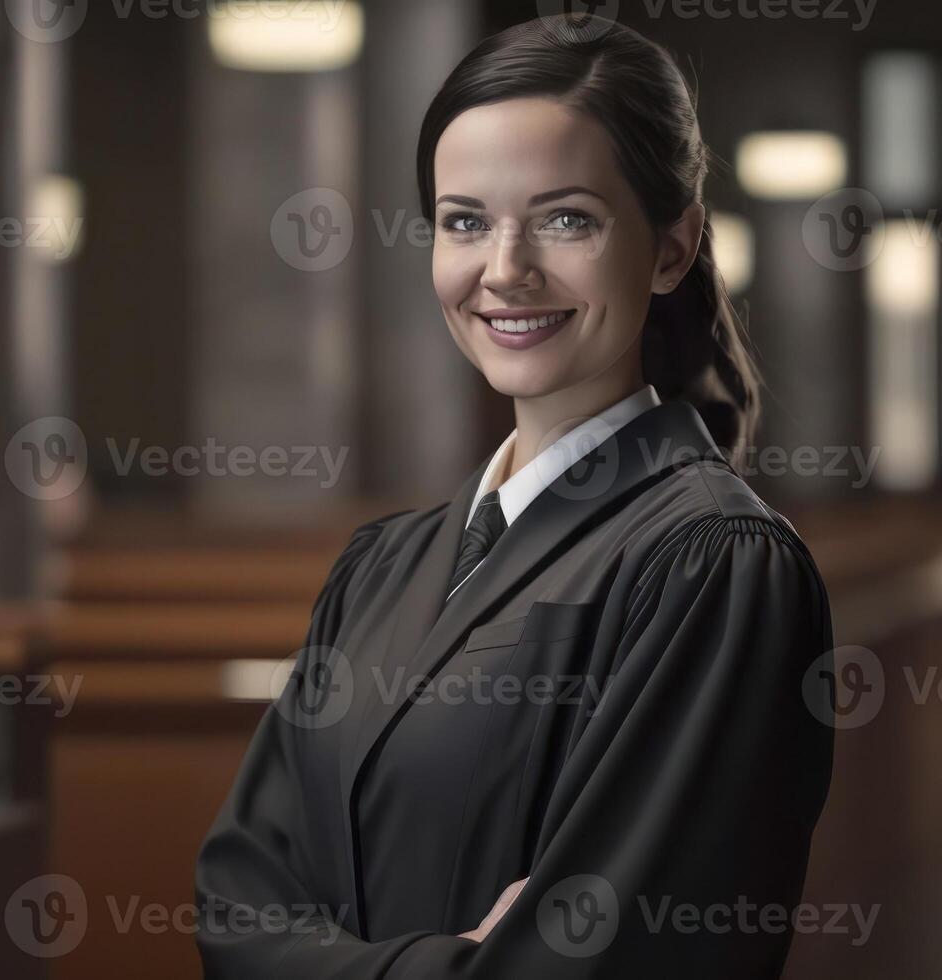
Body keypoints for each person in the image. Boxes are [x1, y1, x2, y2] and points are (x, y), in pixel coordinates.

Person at [195, 14, 834, 977]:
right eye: (464, 221)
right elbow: (233, 909)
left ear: (671, 248)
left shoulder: (714, 564)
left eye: (565, 218)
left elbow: (616, 958)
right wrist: (450, 962)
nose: (503, 270)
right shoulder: (380, 565)